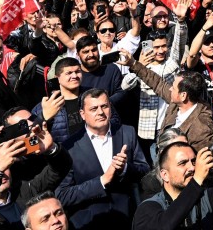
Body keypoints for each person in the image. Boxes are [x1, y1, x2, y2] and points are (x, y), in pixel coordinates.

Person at [54, 89, 150, 229]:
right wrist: (102, 181)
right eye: (93, 108)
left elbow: (145, 170)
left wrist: (125, 169)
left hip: (125, 218)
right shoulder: (69, 146)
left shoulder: (127, 132)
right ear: (82, 114)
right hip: (88, 222)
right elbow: (63, 195)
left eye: (104, 106)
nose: (100, 112)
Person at [131, 141, 213, 230]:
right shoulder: (148, 208)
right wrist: (197, 180)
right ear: (165, 175)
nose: (192, 167)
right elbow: (165, 225)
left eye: (194, 161)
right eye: (182, 163)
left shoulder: (207, 196)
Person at [120, 54, 213, 151]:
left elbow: (201, 161)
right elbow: (158, 83)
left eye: (174, 87)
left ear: (183, 96)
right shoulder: (176, 103)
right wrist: (133, 63)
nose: (170, 88)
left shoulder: (202, 128)